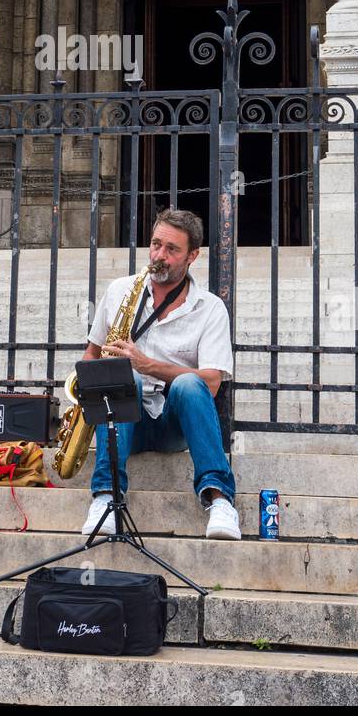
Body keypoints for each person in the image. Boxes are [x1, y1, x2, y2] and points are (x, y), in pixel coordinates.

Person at [79, 208, 241, 541]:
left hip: (172, 425)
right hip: (121, 420)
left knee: (189, 382)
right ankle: (106, 497)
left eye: (172, 250)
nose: (159, 256)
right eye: (155, 245)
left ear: (192, 255)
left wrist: (147, 364)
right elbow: (91, 354)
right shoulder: (121, 290)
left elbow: (211, 382)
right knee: (126, 378)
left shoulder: (210, 308)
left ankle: (220, 499)